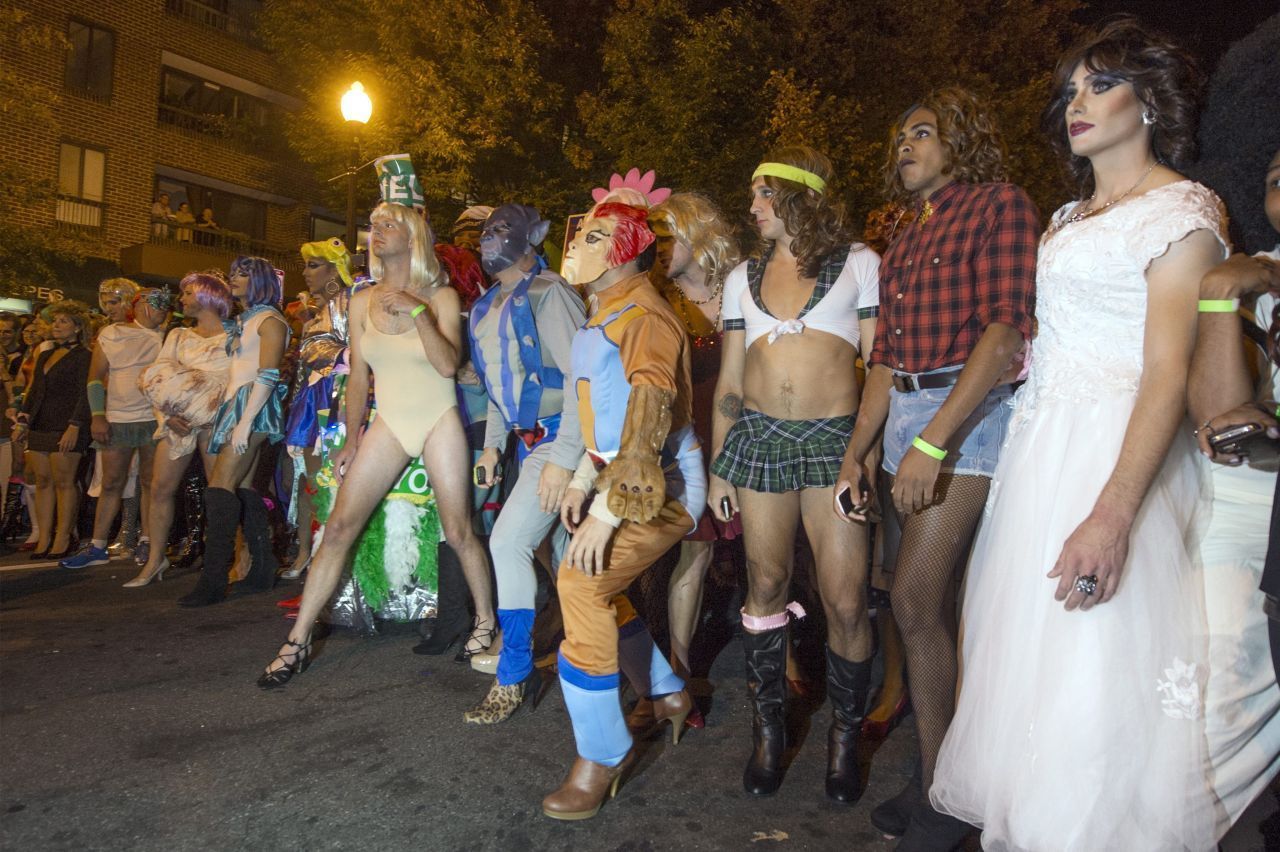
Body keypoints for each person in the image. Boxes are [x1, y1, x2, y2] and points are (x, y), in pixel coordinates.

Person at [930, 20, 1228, 851]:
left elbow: (1167, 372)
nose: (1078, 103)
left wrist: (1113, 514)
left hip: (1110, 454)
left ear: (1151, 99)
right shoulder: (1066, 216)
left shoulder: (1182, 211)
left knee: (1095, 677)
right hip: (1040, 450)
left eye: (1100, 85)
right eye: (1071, 91)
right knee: (1031, 669)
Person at [832, 87, 1039, 843]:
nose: (905, 146)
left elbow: (1006, 331)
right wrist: (859, 451)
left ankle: (949, 802)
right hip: (906, 418)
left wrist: (932, 444)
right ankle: (939, 778)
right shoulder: (906, 235)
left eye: (924, 133)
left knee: (917, 600)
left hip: (969, 413)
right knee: (924, 607)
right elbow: (884, 356)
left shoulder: (999, 204)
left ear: (962, 140)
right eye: (901, 136)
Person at [257, 156, 495, 687]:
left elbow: (447, 366)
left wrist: (415, 310)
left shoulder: (440, 296)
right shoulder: (361, 300)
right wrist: (351, 435)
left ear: (412, 235)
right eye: (373, 224)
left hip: (437, 419)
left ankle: (486, 621)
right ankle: (296, 643)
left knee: (459, 530)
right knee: (339, 526)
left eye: (387, 224)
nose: (374, 232)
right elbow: (359, 379)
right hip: (388, 422)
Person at [707, 147, 880, 803]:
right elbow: (728, 381)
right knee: (766, 582)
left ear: (798, 197)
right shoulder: (740, 279)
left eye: (762, 194)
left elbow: (879, 369)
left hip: (834, 442)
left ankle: (844, 739)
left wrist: (860, 455)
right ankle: (769, 732)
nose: (752, 207)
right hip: (758, 441)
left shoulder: (860, 266)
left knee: (843, 597)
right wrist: (722, 469)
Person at [540, 201, 704, 821]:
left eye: (597, 234)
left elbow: (649, 418)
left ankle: (602, 752)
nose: (579, 241)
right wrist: (585, 480)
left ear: (629, 249)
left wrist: (608, 507)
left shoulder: (644, 316)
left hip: (662, 483)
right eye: (579, 229)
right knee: (593, 584)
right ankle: (664, 694)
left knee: (580, 583)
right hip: (622, 479)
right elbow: (599, 423)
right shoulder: (600, 315)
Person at [1189, 27, 1280, 829]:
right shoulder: (1253, 279)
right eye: (1278, 178)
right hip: (1231, 505)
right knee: (1200, 679)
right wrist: (1221, 293)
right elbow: (1220, 417)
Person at [462, 204, 586, 724]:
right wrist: (493, 445)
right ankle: (657, 683)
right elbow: (498, 388)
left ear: (530, 237)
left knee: (509, 542)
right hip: (528, 445)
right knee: (569, 571)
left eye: (501, 230)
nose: (490, 240)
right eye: (485, 231)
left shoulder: (549, 293)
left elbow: (585, 380)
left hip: (563, 442)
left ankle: (513, 673)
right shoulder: (485, 307)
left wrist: (563, 459)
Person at [644, 192, 740, 688]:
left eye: (667, 236)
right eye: (654, 239)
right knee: (693, 552)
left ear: (697, 232)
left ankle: (787, 663)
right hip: (687, 439)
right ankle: (674, 678)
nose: (658, 247)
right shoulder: (657, 297)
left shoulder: (745, 285)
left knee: (769, 557)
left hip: (746, 433)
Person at [178, 257, 291, 606]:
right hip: (237, 406)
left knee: (220, 487)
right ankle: (261, 569)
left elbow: (268, 374)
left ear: (259, 279)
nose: (233, 279)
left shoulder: (271, 321)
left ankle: (213, 581)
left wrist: (245, 422)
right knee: (242, 487)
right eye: (232, 274)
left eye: (242, 274)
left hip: (251, 408)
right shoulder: (249, 319)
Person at [130, 273, 233, 587]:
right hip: (178, 423)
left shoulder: (236, 335)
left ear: (207, 296)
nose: (182, 299)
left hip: (216, 423)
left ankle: (224, 561)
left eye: (188, 293)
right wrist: (166, 416)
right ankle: (155, 560)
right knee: (160, 488)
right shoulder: (177, 335)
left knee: (221, 493)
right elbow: (157, 379)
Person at [60, 282, 166, 570]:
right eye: (107, 303)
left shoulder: (164, 336)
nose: (110, 308)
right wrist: (97, 415)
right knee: (111, 483)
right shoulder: (109, 334)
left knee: (149, 483)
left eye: (116, 302)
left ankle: (146, 541)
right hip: (117, 419)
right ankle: (97, 546)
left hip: (152, 419)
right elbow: (95, 377)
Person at [282, 237, 355, 580]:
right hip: (311, 404)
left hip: (338, 401)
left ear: (334, 269)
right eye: (305, 265)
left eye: (314, 265)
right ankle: (306, 556)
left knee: (331, 483)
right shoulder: (318, 311)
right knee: (307, 482)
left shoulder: (350, 301)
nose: (306, 273)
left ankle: (330, 566)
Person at [14, 301, 93, 560]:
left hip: (67, 425)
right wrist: (23, 421)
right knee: (43, 481)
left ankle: (63, 537)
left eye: (64, 322)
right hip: (41, 424)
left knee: (64, 482)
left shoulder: (85, 356)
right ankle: (44, 538)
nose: (56, 326)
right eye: (55, 321)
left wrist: (75, 426)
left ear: (78, 328)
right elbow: (35, 390)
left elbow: (86, 394)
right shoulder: (45, 354)